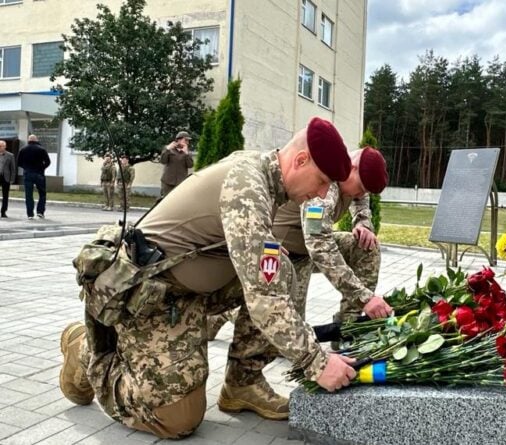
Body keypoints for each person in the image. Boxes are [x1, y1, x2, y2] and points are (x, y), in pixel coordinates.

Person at [59, 117, 358, 439]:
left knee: (280, 268)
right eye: (323, 180)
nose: (324, 192)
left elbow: (265, 276)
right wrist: (317, 363)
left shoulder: (266, 177)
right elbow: (264, 298)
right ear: (301, 160)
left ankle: (243, 383)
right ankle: (86, 349)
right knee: (177, 418)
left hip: (188, 293)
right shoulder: (248, 186)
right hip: (149, 297)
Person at [207, 146, 391, 340]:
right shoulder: (324, 189)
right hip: (283, 251)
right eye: (360, 187)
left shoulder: (350, 176)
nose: (359, 194)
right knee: (284, 332)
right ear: (353, 167)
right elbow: (320, 247)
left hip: (307, 246)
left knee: (366, 246)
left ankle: (347, 328)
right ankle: (227, 313)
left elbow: (362, 197)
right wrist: (365, 298)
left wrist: (363, 223)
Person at [17, 135, 51, 219]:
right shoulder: (41, 149)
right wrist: (42, 168)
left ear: (28, 140)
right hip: (39, 174)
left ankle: (30, 214)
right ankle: (40, 212)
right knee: (42, 193)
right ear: (36, 140)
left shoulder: (23, 149)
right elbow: (48, 161)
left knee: (28, 195)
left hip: (28, 174)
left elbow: (19, 162)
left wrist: (26, 168)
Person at [159, 130, 194, 196]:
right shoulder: (169, 150)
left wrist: (186, 153)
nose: (187, 142)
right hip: (167, 182)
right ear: (178, 140)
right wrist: (167, 149)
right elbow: (163, 161)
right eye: (185, 140)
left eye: (188, 141)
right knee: (165, 201)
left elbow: (190, 165)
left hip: (180, 182)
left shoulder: (187, 153)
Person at [0, 140, 15, 218]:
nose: (0, 147)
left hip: (6, 177)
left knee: (5, 195)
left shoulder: (10, 155)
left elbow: (12, 169)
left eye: (1, 146)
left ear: (5, 147)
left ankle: (3, 211)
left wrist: (12, 179)